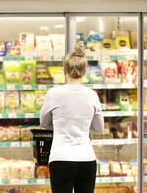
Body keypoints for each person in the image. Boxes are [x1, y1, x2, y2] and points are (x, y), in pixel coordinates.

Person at [40, 42, 104, 193]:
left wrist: (61, 125)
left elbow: (44, 123)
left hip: (60, 159)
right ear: (84, 72)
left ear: (64, 70)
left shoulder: (53, 94)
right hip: (86, 159)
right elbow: (98, 128)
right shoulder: (92, 95)